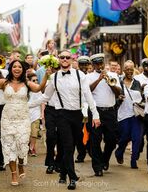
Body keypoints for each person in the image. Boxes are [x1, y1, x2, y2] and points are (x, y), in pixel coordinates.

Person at [29, 50, 101, 190]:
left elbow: (88, 95)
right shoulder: (54, 77)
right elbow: (45, 97)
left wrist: (96, 115)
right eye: (62, 57)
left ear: (71, 59)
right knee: (67, 145)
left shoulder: (80, 75)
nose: (65, 59)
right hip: (61, 115)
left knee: (71, 145)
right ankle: (72, 177)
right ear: (59, 60)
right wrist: (26, 105)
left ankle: (63, 171)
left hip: (77, 115)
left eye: (68, 57)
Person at [0, 57, 49, 186]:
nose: (17, 68)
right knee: (10, 146)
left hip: (23, 118)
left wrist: (46, 75)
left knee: (22, 144)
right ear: (11, 69)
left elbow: (39, 87)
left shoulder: (27, 83)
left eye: (19, 67)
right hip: (7, 118)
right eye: (14, 67)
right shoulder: (4, 83)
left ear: (22, 70)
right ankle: (13, 173)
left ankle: (21, 164)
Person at [86, 53, 121, 177]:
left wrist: (110, 83)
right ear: (93, 65)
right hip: (96, 112)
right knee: (95, 140)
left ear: (103, 63)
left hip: (110, 112)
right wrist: (99, 79)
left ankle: (104, 160)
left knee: (111, 140)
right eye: (96, 64)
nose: (99, 66)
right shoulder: (89, 76)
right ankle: (97, 168)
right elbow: (88, 90)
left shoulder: (113, 75)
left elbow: (118, 93)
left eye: (101, 63)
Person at [115, 60, 143, 169]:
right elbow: (115, 99)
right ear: (123, 70)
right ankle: (119, 152)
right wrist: (119, 99)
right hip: (123, 114)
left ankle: (133, 161)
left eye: (131, 69)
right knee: (124, 137)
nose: (129, 71)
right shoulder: (119, 82)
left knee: (137, 138)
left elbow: (141, 98)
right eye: (127, 69)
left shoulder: (137, 83)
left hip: (136, 115)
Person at [27, 73, 43, 157]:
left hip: (36, 114)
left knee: (34, 133)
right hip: (25, 114)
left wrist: (42, 114)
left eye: (37, 80)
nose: (36, 81)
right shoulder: (25, 89)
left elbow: (42, 102)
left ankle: (31, 148)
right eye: (34, 80)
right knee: (26, 133)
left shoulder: (38, 90)